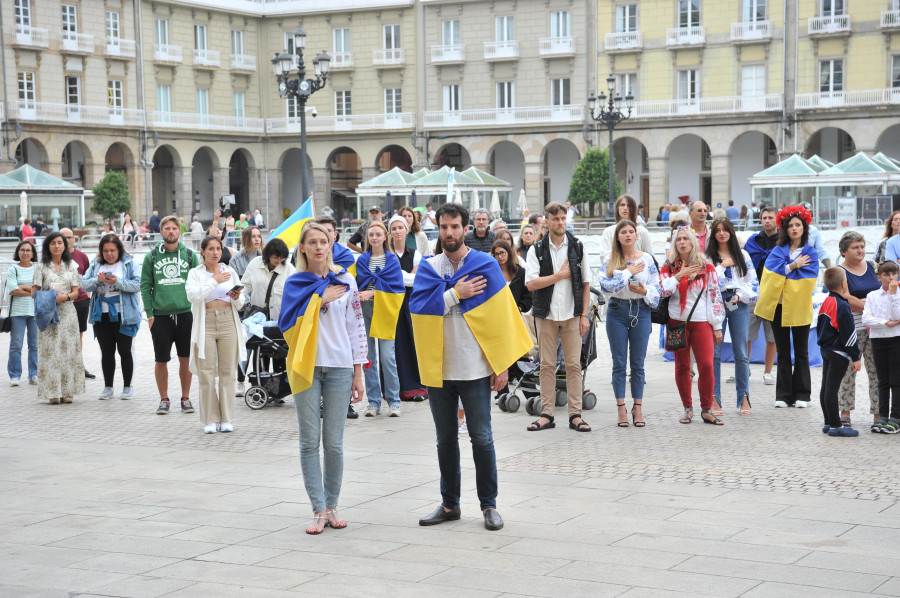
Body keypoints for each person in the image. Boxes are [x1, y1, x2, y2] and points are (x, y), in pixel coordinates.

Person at [412, 203, 531, 531]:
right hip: (440, 367)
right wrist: (454, 294)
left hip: (475, 366)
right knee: (445, 438)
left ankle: (489, 505)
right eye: (444, 227)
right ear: (438, 228)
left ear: (466, 228)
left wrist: (501, 363)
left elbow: (502, 318)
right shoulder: (429, 267)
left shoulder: (485, 265)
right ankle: (449, 504)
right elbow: (419, 310)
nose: (449, 232)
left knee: (482, 437)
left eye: (454, 226)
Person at [278, 222, 366, 535]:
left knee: (335, 443)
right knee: (308, 440)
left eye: (323, 241)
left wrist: (359, 372)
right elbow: (287, 325)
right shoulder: (295, 283)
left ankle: (333, 505)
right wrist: (319, 299)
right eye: (312, 242)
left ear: (331, 245)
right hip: (306, 365)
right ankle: (317, 508)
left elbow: (356, 326)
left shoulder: (346, 280)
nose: (318, 247)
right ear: (302, 247)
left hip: (341, 367)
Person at [524, 202, 592, 433]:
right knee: (546, 365)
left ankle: (575, 414)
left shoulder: (577, 247)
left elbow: (585, 284)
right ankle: (547, 414)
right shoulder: (536, 249)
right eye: (556, 219)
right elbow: (531, 284)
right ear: (547, 221)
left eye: (563, 218)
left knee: (573, 365)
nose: (561, 222)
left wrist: (584, 315)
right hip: (546, 314)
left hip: (573, 314)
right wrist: (560, 275)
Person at [598, 220, 661, 428]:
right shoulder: (610, 259)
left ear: (637, 236)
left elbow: (657, 289)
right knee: (618, 363)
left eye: (630, 232)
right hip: (617, 310)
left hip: (640, 310)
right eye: (623, 232)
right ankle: (621, 408)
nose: (627, 235)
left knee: (638, 363)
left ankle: (638, 407)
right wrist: (628, 271)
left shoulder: (648, 259)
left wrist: (644, 291)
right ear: (617, 237)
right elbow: (607, 287)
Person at [754, 205, 819, 408]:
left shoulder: (811, 252)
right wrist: (793, 265)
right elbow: (770, 275)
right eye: (790, 225)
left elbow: (810, 279)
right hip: (779, 306)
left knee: (801, 352)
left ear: (804, 227)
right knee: (783, 351)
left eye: (798, 225)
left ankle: (803, 394)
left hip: (800, 306)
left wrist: (787, 271)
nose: (794, 229)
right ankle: (782, 395)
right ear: (785, 228)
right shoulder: (778, 250)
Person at [660, 227, 725, 425]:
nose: (682, 242)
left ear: (693, 243)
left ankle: (706, 408)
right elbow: (663, 290)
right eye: (678, 239)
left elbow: (714, 296)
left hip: (701, 322)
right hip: (676, 322)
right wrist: (680, 275)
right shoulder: (668, 267)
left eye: (685, 239)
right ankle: (687, 408)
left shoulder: (706, 267)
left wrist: (717, 325)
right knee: (682, 366)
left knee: (706, 364)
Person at [141, 215, 200, 415]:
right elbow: (145, 286)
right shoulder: (152, 257)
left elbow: (199, 285)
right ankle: (164, 399)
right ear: (161, 232)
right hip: (161, 316)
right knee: (161, 360)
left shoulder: (191, 256)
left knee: (185, 358)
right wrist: (150, 315)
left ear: (180, 231)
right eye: (167, 228)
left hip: (185, 314)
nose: (171, 231)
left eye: (174, 228)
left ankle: (185, 398)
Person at [186, 235, 245, 434]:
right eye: (211, 249)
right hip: (206, 322)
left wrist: (236, 297)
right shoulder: (195, 273)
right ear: (202, 251)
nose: (215, 253)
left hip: (228, 319)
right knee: (206, 372)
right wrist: (214, 281)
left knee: (228, 370)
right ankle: (210, 419)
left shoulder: (230, 271)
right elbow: (193, 296)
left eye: (218, 249)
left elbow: (241, 302)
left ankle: (227, 417)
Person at [706, 217, 758, 415]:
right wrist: (722, 265)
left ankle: (744, 397)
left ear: (731, 232)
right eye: (718, 230)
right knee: (715, 353)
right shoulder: (709, 257)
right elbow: (708, 282)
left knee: (741, 352)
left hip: (738, 302)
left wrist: (739, 295)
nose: (721, 233)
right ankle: (714, 398)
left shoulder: (742, 255)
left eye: (725, 229)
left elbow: (754, 283)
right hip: (715, 302)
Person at [81, 234, 141, 400]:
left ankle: (128, 386)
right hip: (102, 314)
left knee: (125, 351)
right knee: (107, 351)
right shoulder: (95, 263)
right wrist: (98, 280)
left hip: (125, 314)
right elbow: (84, 283)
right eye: (106, 251)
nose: (109, 254)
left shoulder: (129, 263)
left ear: (119, 250)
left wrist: (118, 282)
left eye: (113, 250)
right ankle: (108, 387)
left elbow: (137, 285)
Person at [353, 221, 403, 417]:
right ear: (367, 238)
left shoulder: (392, 260)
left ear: (385, 237)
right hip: (365, 310)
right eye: (371, 235)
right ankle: (373, 402)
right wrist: (363, 294)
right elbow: (359, 283)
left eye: (378, 234)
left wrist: (371, 294)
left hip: (385, 309)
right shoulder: (362, 260)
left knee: (388, 357)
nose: (374, 237)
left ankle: (394, 401)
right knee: (368, 357)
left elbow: (396, 288)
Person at [237, 237, 294, 397]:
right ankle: (257, 385)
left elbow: (294, 293)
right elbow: (244, 286)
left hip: (279, 320)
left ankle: (278, 390)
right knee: (258, 352)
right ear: (268, 255)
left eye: (282, 258)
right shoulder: (255, 264)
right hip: (257, 318)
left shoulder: (289, 269)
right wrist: (233, 298)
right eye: (275, 257)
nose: (278, 261)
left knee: (279, 353)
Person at [32, 231, 85, 404]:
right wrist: (51, 296)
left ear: (65, 245)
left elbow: (76, 291)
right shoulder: (41, 267)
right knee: (50, 352)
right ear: (48, 246)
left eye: (60, 243)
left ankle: (68, 391)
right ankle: (52, 392)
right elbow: (34, 292)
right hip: (48, 313)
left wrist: (66, 297)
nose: (57, 246)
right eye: (53, 243)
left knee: (69, 351)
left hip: (68, 313)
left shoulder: (71, 265)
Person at [835, 232, 879, 426]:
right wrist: (872, 309)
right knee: (848, 371)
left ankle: (879, 413)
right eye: (855, 247)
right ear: (843, 251)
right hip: (851, 329)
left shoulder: (871, 266)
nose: (860, 250)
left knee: (877, 371)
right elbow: (845, 298)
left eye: (862, 246)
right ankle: (845, 413)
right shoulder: (839, 272)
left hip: (875, 328)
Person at [817, 267, 861, 437]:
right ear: (844, 284)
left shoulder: (826, 301)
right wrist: (855, 356)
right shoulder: (842, 305)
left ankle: (828, 422)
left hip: (825, 350)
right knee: (832, 389)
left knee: (825, 387)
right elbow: (849, 333)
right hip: (839, 353)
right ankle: (836, 426)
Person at [388, 214, 427, 402]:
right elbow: (393, 279)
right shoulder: (386, 255)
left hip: (410, 303)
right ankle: (395, 389)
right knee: (394, 347)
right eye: (394, 228)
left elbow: (418, 279)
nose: (397, 231)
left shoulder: (415, 253)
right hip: (391, 304)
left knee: (413, 343)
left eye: (400, 228)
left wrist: (402, 276)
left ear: (407, 230)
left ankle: (416, 386)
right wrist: (407, 275)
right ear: (390, 232)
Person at [862, 260, 900, 434]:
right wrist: (885, 322)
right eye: (887, 274)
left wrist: (893, 294)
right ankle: (883, 415)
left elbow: (897, 315)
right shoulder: (872, 295)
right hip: (877, 340)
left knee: (896, 380)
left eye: (894, 273)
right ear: (879, 277)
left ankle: (896, 417)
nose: (891, 277)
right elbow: (866, 319)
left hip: (896, 339)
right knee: (882, 380)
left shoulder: (898, 293)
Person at [743, 205, 780, 385]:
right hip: (753, 292)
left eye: (770, 218)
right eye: (764, 218)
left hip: (773, 294)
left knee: (771, 336)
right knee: (746, 334)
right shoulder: (753, 240)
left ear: (777, 219)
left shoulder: (784, 241)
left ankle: (768, 372)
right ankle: (744, 368)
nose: (767, 221)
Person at [60, 228, 95, 380]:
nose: (67, 240)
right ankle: (62, 366)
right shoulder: (55, 256)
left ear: (74, 239)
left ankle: (78, 366)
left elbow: (87, 276)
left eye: (69, 237)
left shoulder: (82, 257)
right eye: (63, 238)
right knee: (61, 335)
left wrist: (86, 295)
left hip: (80, 301)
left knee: (78, 335)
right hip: (61, 301)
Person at [6, 240, 38, 386]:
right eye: (22, 250)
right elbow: (13, 290)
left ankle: (34, 374)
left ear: (33, 254)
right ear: (18, 252)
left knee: (34, 345)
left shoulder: (38, 268)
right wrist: (31, 290)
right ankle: (15, 375)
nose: (25, 253)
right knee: (16, 345)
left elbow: (42, 289)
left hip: (35, 312)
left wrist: (23, 287)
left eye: (28, 250)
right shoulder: (13, 269)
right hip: (17, 312)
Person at [599, 195, 655, 260]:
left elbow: (650, 256)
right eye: (622, 205)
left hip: (638, 267)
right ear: (617, 208)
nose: (625, 208)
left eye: (629, 206)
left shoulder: (642, 231)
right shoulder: (608, 231)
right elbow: (603, 256)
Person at [800, 203, 832, 269]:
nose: (807, 216)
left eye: (809, 213)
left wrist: (829, 268)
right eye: (804, 213)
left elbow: (821, 251)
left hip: (809, 270)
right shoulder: (790, 230)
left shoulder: (814, 231)